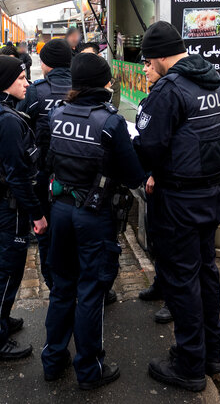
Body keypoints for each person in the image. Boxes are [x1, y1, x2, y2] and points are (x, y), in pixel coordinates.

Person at [134, 21, 220, 392]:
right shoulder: (215, 80)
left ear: (158, 57)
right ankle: (211, 353)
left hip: (179, 199)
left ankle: (189, 364)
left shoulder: (169, 90)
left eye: (148, 60)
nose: (148, 66)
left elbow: (149, 146)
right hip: (211, 194)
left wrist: (144, 163)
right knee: (206, 272)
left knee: (181, 279)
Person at [42, 53, 146, 390]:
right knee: (90, 290)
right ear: (104, 82)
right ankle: (89, 369)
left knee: (62, 287)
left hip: (60, 209)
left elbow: (47, 161)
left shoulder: (56, 113)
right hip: (93, 214)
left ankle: (53, 361)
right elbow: (133, 175)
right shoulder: (110, 122)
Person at [0, 55, 48, 361]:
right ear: (5, 83)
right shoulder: (5, 120)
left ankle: (0, 319)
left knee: (0, 267)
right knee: (4, 271)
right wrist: (37, 214)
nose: (27, 83)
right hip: (7, 206)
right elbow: (18, 176)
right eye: (21, 79)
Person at [16, 38, 72, 291]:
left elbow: (20, 128)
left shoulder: (36, 91)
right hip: (81, 174)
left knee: (47, 230)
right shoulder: (83, 87)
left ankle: (54, 283)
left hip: (44, 174)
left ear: (45, 64)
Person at [134, 57, 173, 326]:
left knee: (172, 244)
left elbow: (168, 144)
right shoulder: (151, 96)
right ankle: (160, 283)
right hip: (150, 182)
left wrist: (155, 173)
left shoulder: (170, 98)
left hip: (165, 182)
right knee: (157, 237)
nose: (145, 69)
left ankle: (173, 299)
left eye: (148, 64)